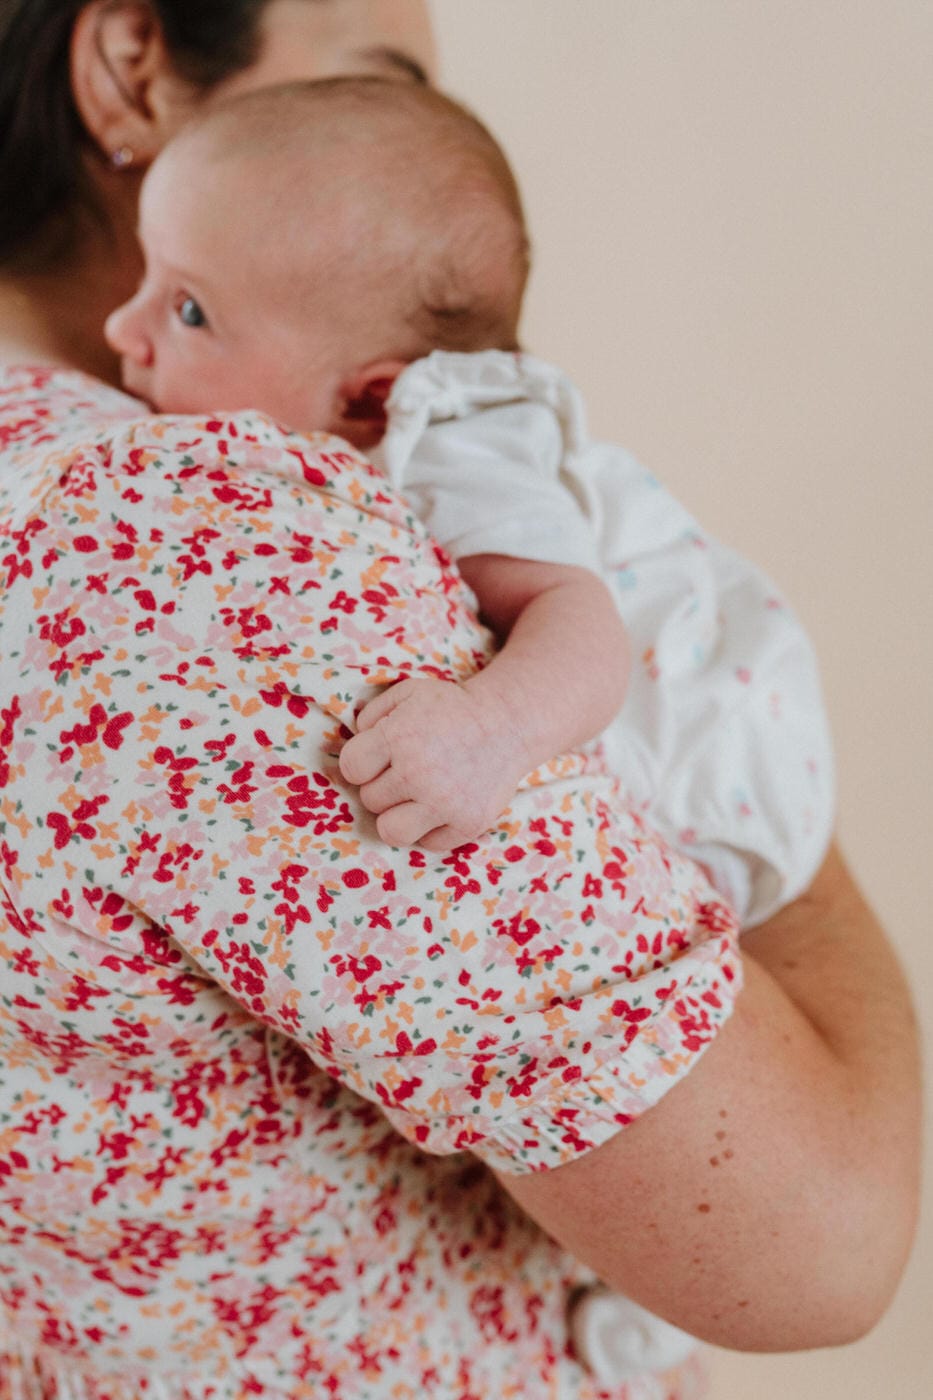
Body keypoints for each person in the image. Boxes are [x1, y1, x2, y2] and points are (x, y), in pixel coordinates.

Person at [0, 6, 921, 1400]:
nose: (422, 159)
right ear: (131, 66)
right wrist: (705, 731)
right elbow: (818, 1246)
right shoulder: (225, 540)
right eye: (375, 89)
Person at [105, 77, 834, 934]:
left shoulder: (454, 441)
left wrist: (494, 730)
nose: (122, 326)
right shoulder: (328, 428)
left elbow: (580, 622)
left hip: (704, 754)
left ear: (368, 402)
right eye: (147, 274)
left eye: (188, 309)